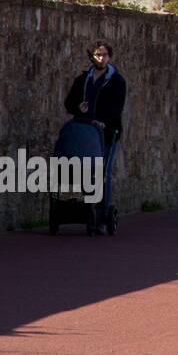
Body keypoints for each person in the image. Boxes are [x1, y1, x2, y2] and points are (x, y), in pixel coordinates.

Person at [63, 39, 127, 231]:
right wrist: (78, 107)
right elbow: (69, 103)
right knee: (81, 170)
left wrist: (104, 121)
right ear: (92, 56)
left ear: (109, 56)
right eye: (98, 55)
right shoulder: (82, 80)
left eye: (105, 54)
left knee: (102, 171)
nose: (101, 58)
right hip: (84, 132)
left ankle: (102, 212)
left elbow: (117, 107)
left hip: (107, 133)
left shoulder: (116, 81)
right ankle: (82, 208)